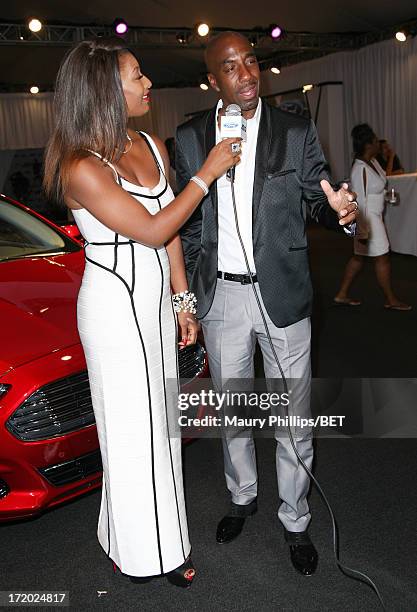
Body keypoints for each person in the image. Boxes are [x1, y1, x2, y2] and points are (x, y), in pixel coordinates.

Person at [43, 37, 240, 587]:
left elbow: (170, 230)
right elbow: (153, 227)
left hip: (154, 305)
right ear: (106, 90)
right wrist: (209, 172)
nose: (147, 83)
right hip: (111, 312)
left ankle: (156, 538)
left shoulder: (149, 143)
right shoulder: (80, 166)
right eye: (136, 76)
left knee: (163, 428)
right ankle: (141, 552)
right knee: (130, 433)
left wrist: (183, 301)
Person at [176, 31, 358, 577]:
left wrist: (341, 212)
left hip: (281, 293)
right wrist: (188, 300)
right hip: (221, 297)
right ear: (214, 80)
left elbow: (318, 200)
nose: (246, 74)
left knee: (293, 417)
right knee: (232, 412)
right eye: (231, 67)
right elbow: (184, 229)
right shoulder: (188, 137)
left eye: (251, 61)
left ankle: (296, 517)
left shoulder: (295, 131)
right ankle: (243, 495)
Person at [334, 124, 411, 310]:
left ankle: (341, 294)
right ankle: (391, 299)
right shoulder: (359, 169)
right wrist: (361, 230)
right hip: (368, 220)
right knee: (382, 257)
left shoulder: (373, 162)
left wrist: (386, 197)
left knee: (358, 258)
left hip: (375, 216)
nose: (379, 143)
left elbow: (376, 190)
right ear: (368, 144)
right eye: (376, 141)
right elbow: (359, 201)